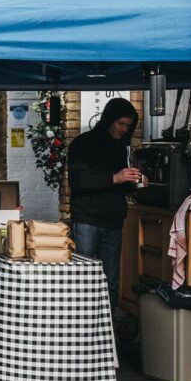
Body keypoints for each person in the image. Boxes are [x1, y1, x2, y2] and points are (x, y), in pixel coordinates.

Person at [68, 97, 142, 310]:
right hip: (87, 221)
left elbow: (120, 185)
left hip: (114, 222)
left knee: (111, 280)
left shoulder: (121, 148)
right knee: (83, 278)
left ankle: (108, 329)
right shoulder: (83, 143)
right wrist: (116, 178)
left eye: (128, 126)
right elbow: (78, 182)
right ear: (109, 119)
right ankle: (81, 325)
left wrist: (135, 183)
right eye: (121, 124)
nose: (124, 129)